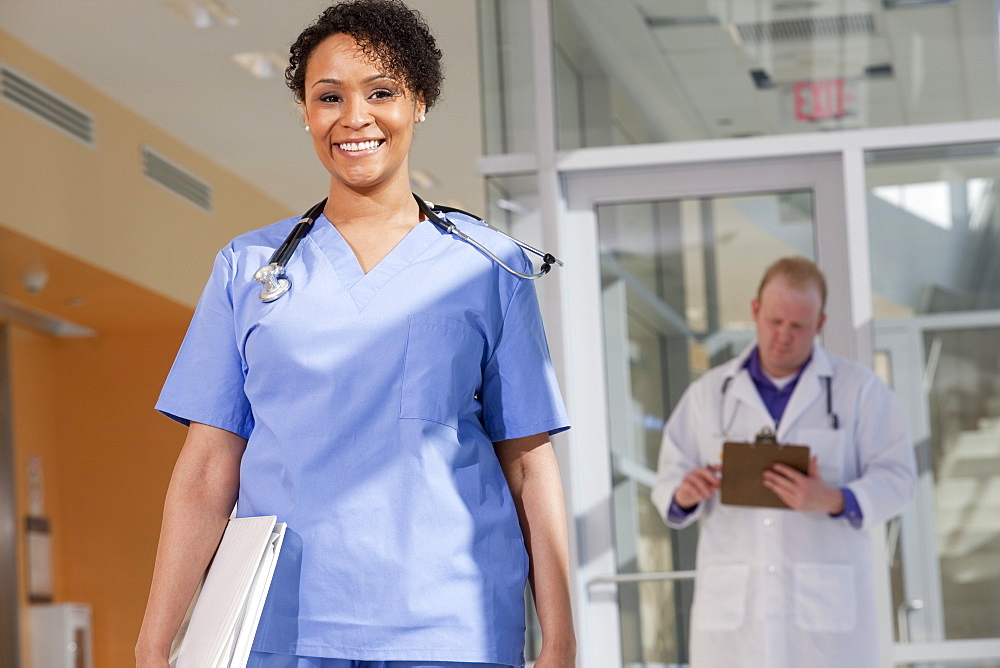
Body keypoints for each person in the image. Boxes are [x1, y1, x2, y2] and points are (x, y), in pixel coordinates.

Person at [134, 2, 576, 667]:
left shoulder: (489, 267)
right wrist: (153, 641)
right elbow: (205, 469)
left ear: (419, 101)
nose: (354, 117)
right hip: (282, 619)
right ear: (305, 112)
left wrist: (561, 639)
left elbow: (528, 464)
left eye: (382, 92)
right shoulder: (248, 269)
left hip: (450, 622)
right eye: (328, 96)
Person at [651, 256, 917, 668]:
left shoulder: (858, 391)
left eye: (798, 326)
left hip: (826, 629)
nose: (784, 337)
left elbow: (899, 478)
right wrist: (685, 493)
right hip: (735, 624)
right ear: (756, 310)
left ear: (821, 323)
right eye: (775, 321)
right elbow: (667, 480)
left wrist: (833, 498)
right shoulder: (709, 394)